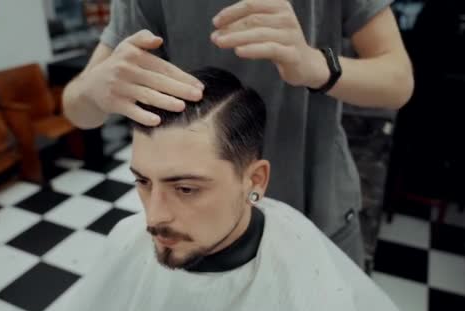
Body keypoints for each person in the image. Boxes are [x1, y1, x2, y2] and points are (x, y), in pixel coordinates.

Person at [47, 67, 420, 311]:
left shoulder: (313, 305)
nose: (153, 217)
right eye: (143, 181)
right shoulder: (125, 242)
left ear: (254, 180)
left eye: (187, 189)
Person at [62, 0, 414, 267]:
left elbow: (398, 81)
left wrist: (314, 66)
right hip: (198, 222)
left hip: (317, 207)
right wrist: (93, 89)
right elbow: (77, 108)